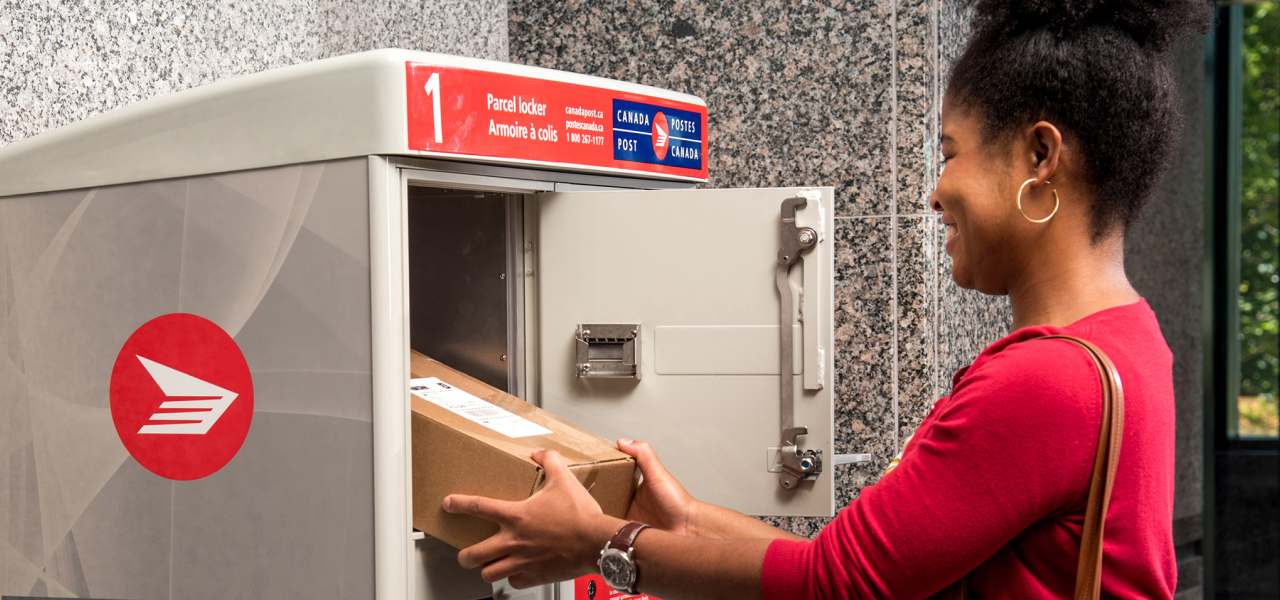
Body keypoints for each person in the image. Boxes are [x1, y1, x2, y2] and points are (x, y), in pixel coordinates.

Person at [440, 0, 1210, 597]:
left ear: (1039, 155)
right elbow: (849, 568)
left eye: (949, 154)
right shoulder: (1128, 340)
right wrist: (684, 522)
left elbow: (833, 588)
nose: (935, 193)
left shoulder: (1043, 384)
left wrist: (599, 546)